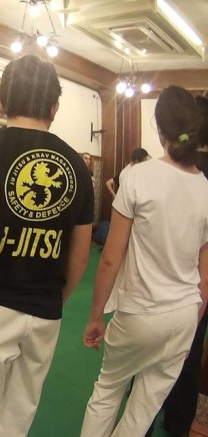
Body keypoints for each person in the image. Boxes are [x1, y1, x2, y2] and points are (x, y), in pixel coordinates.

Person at [0, 55, 94, 437]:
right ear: (55, 108)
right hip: (45, 311)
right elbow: (80, 254)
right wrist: (54, 298)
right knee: (16, 418)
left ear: (0, 103)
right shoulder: (77, 167)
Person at [81, 86, 208, 437]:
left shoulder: (139, 175)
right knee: (144, 407)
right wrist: (193, 319)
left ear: (159, 128)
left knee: (108, 390)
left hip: (141, 312)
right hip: (185, 314)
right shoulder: (205, 188)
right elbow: (205, 273)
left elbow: (110, 258)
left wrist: (96, 316)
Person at [143, 93, 208, 437]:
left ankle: (145, 424)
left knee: (148, 363)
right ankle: (178, 426)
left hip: (158, 288)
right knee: (188, 357)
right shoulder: (191, 173)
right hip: (195, 290)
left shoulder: (163, 170)